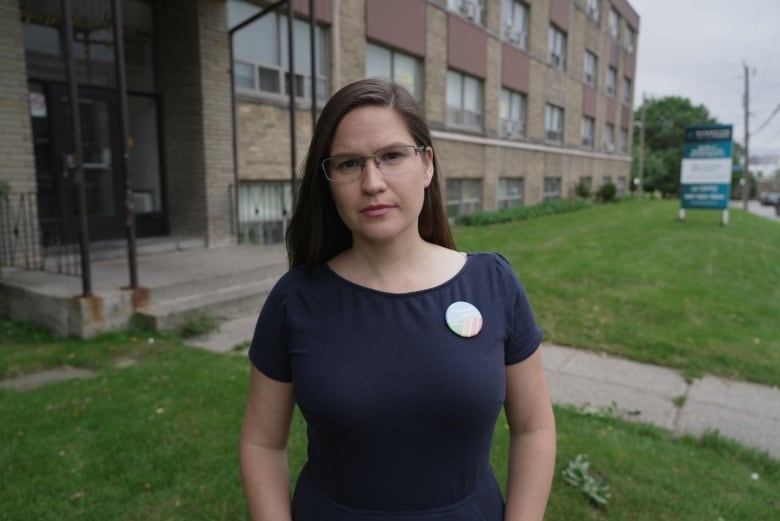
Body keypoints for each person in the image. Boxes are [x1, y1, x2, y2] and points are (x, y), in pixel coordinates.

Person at [239, 78, 556, 521]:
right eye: (349, 164)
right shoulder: (296, 300)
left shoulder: (493, 284)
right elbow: (262, 443)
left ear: (427, 165)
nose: (372, 182)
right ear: (329, 181)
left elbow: (533, 427)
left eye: (391, 156)